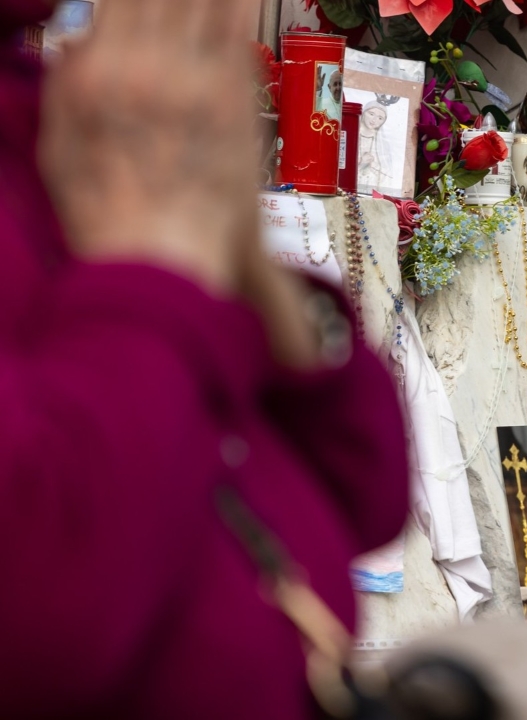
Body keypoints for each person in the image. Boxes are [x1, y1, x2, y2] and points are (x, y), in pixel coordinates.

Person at [0, 1, 409, 716]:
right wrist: (157, 262)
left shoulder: (44, 105)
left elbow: (364, 494)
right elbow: (45, 620)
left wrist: (241, 267)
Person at [357, 101, 394, 189]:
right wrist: (361, 164)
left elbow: (387, 173)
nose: (374, 120)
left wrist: (375, 166)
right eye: (371, 114)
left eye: (380, 118)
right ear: (364, 113)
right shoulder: (351, 134)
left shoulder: (383, 144)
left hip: (372, 188)